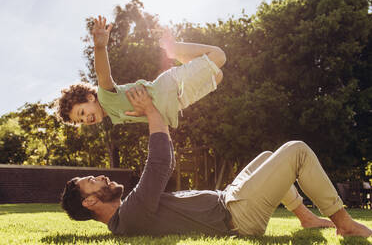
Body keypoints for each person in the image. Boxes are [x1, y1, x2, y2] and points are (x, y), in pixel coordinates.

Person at [60, 87, 372, 238]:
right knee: (296, 150)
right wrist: (151, 111)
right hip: (237, 214)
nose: (99, 176)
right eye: (92, 181)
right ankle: (343, 223)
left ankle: (305, 217)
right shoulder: (128, 216)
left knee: (266, 157)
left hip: (229, 198)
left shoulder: (127, 213)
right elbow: (159, 164)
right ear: (89, 202)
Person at [56, 15, 226, 128]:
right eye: (80, 120)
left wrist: (100, 47)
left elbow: (103, 75)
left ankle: (174, 50)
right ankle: (178, 55)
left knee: (218, 56)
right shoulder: (114, 117)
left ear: (90, 97)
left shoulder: (105, 97)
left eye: (82, 112)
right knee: (217, 76)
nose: (86, 119)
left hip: (169, 87)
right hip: (178, 102)